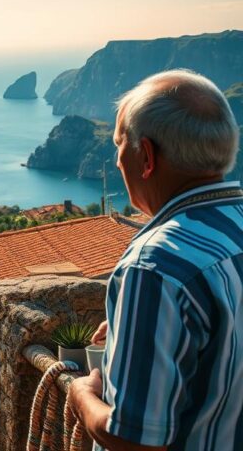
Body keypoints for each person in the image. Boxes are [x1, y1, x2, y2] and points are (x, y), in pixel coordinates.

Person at [69, 69, 243, 451]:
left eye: (119, 145)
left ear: (146, 157)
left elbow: (133, 440)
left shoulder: (155, 267)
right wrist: (141, 323)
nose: (117, 162)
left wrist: (81, 395)